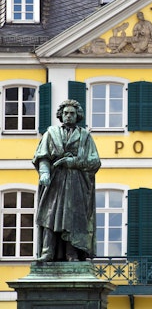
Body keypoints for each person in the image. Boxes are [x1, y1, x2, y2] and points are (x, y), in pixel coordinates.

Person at [33, 99, 101, 262]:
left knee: (73, 218)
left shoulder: (85, 136)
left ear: (77, 115)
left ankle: (72, 254)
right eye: (65, 113)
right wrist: (44, 173)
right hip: (54, 180)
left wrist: (74, 162)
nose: (68, 116)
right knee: (49, 215)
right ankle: (47, 251)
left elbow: (95, 162)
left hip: (76, 182)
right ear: (61, 115)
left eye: (72, 113)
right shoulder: (51, 133)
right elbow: (42, 156)